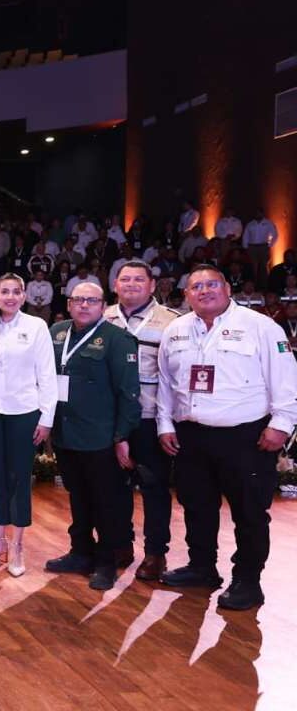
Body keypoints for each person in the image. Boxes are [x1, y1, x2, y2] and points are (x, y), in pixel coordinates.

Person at [156, 264, 297, 610]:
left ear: (227, 289)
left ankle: (247, 581)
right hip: (191, 435)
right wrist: (165, 424)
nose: (204, 291)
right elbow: (165, 383)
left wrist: (282, 423)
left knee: (249, 512)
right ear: (187, 294)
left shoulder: (261, 327)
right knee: (196, 506)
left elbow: (285, 378)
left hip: (246, 437)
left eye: (211, 284)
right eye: (196, 287)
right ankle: (202, 567)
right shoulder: (175, 330)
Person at [43, 282, 141, 590]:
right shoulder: (56, 332)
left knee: (106, 501)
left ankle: (106, 561)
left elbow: (129, 393)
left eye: (92, 301)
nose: (84, 305)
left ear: (103, 306)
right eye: (78, 300)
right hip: (64, 432)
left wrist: (122, 435)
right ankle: (80, 551)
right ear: (69, 304)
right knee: (78, 495)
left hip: (100, 435)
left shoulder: (118, 339)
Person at [0, 273, 58, 577]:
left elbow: (47, 375)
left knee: (20, 479)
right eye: (4, 292)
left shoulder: (36, 327)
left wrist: (46, 419)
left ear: (24, 296)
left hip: (25, 413)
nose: (10, 297)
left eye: (16, 292)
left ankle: (18, 546)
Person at [103, 261, 181, 581]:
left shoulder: (173, 322)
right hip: (110, 422)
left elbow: (174, 377)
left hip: (151, 419)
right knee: (113, 487)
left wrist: (169, 423)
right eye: (125, 279)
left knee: (154, 487)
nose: (131, 284)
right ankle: (120, 545)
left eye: (139, 279)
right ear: (115, 285)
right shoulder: (101, 317)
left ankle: (155, 553)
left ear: (152, 285)